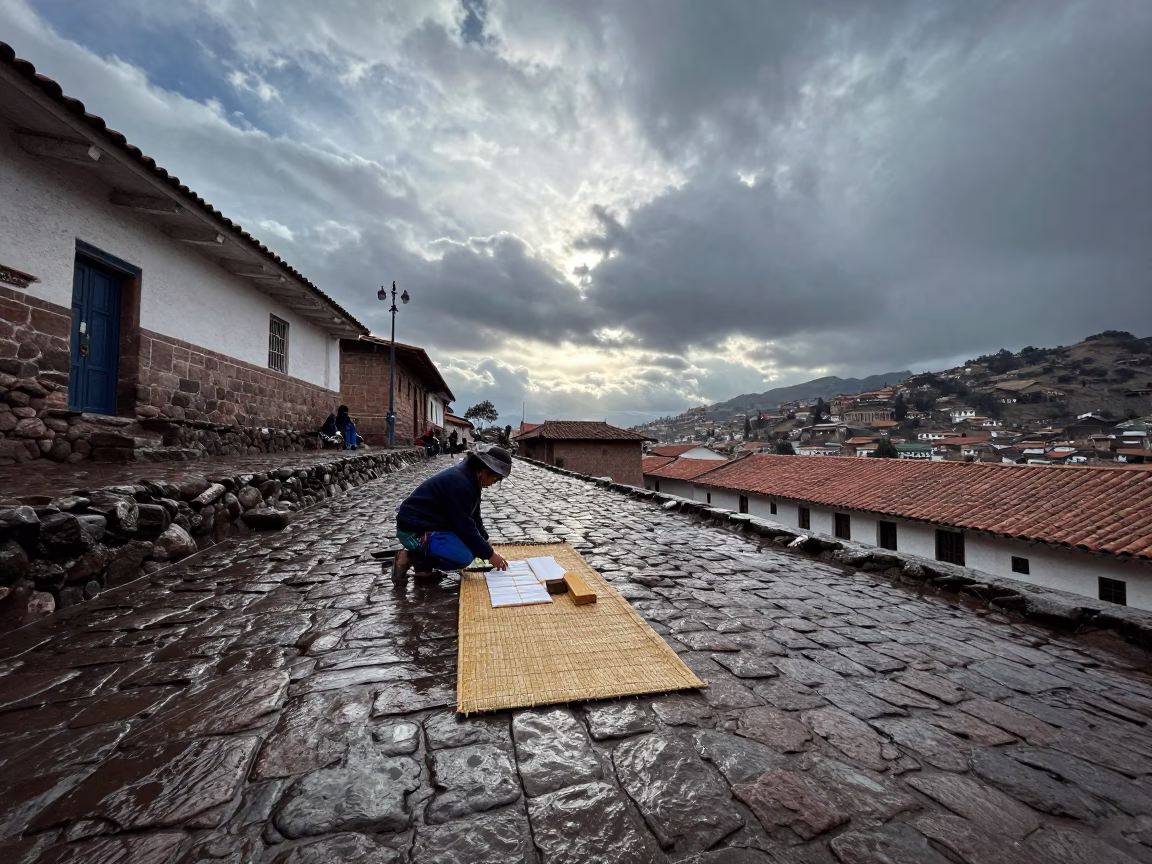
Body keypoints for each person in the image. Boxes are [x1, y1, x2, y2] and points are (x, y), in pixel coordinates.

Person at [393, 446, 513, 582]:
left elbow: (474, 516)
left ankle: (423, 567)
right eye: (495, 479)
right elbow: (464, 526)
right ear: (485, 471)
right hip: (412, 529)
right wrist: (490, 555)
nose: (492, 483)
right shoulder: (460, 483)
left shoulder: (471, 477)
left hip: (434, 524)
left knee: (476, 547)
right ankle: (410, 556)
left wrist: (484, 541)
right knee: (464, 557)